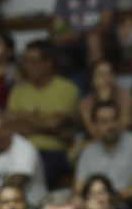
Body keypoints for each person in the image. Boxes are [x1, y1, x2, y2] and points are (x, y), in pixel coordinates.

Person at [7, 40, 79, 188]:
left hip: (52, 152)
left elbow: (54, 123)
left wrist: (22, 115)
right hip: (18, 149)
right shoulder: (18, 90)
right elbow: (11, 125)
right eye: (25, 61)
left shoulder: (67, 88)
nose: (26, 66)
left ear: (48, 64)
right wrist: (50, 129)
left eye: (33, 62)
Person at [74, 101, 132, 206]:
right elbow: (79, 188)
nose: (110, 126)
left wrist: (108, 199)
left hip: (129, 203)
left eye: (114, 119)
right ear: (95, 126)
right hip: (96, 206)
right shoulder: (88, 152)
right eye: (104, 121)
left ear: (120, 121)